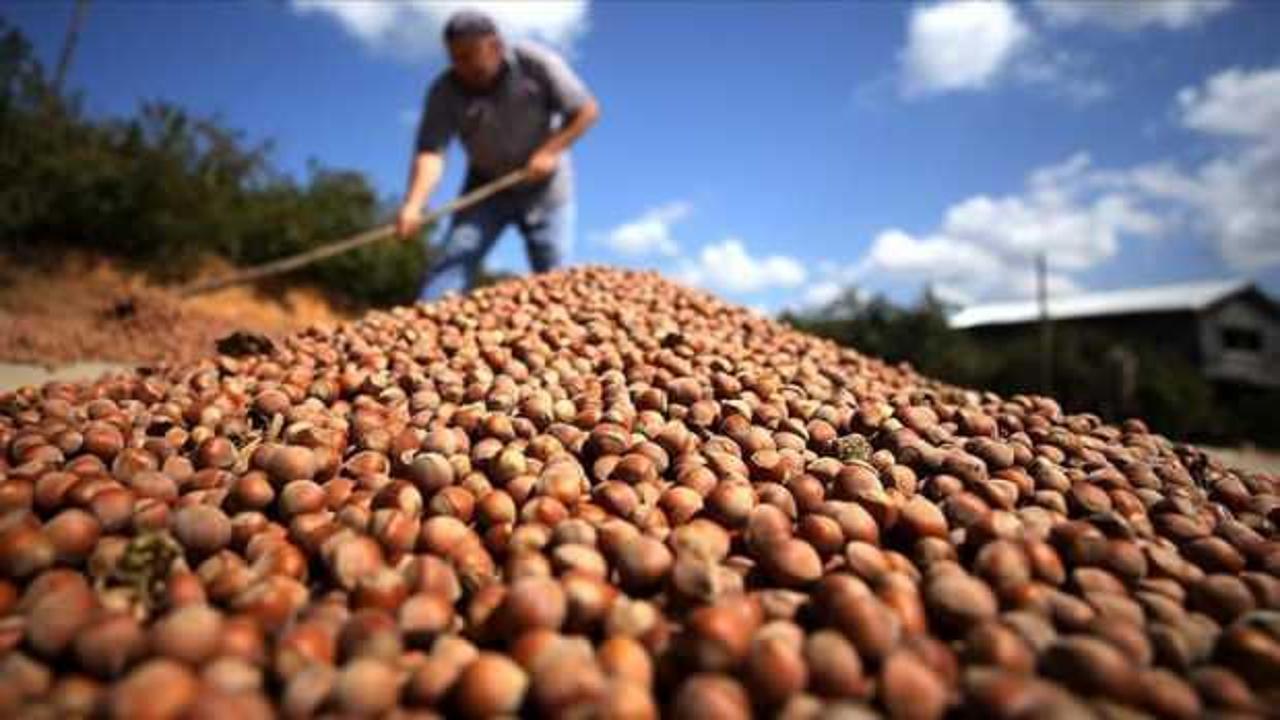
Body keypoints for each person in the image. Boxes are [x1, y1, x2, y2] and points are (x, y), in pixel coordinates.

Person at [397, 10, 600, 300]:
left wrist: (549, 151)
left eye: (470, 56)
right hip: (486, 186)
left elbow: (586, 110)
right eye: (455, 58)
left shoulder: (536, 63)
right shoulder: (444, 92)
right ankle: (421, 325)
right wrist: (414, 204)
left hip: (546, 187)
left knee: (553, 275)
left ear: (495, 46)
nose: (462, 66)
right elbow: (431, 151)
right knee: (452, 260)